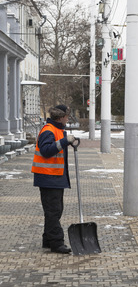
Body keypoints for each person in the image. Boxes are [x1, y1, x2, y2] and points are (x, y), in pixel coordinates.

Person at [32, 105, 75, 254]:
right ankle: (56, 243)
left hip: (54, 177)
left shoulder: (57, 130)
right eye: (67, 117)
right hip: (48, 177)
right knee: (53, 211)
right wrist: (64, 142)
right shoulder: (48, 130)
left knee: (54, 210)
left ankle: (48, 240)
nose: (68, 119)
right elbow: (46, 151)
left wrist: (70, 141)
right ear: (60, 117)